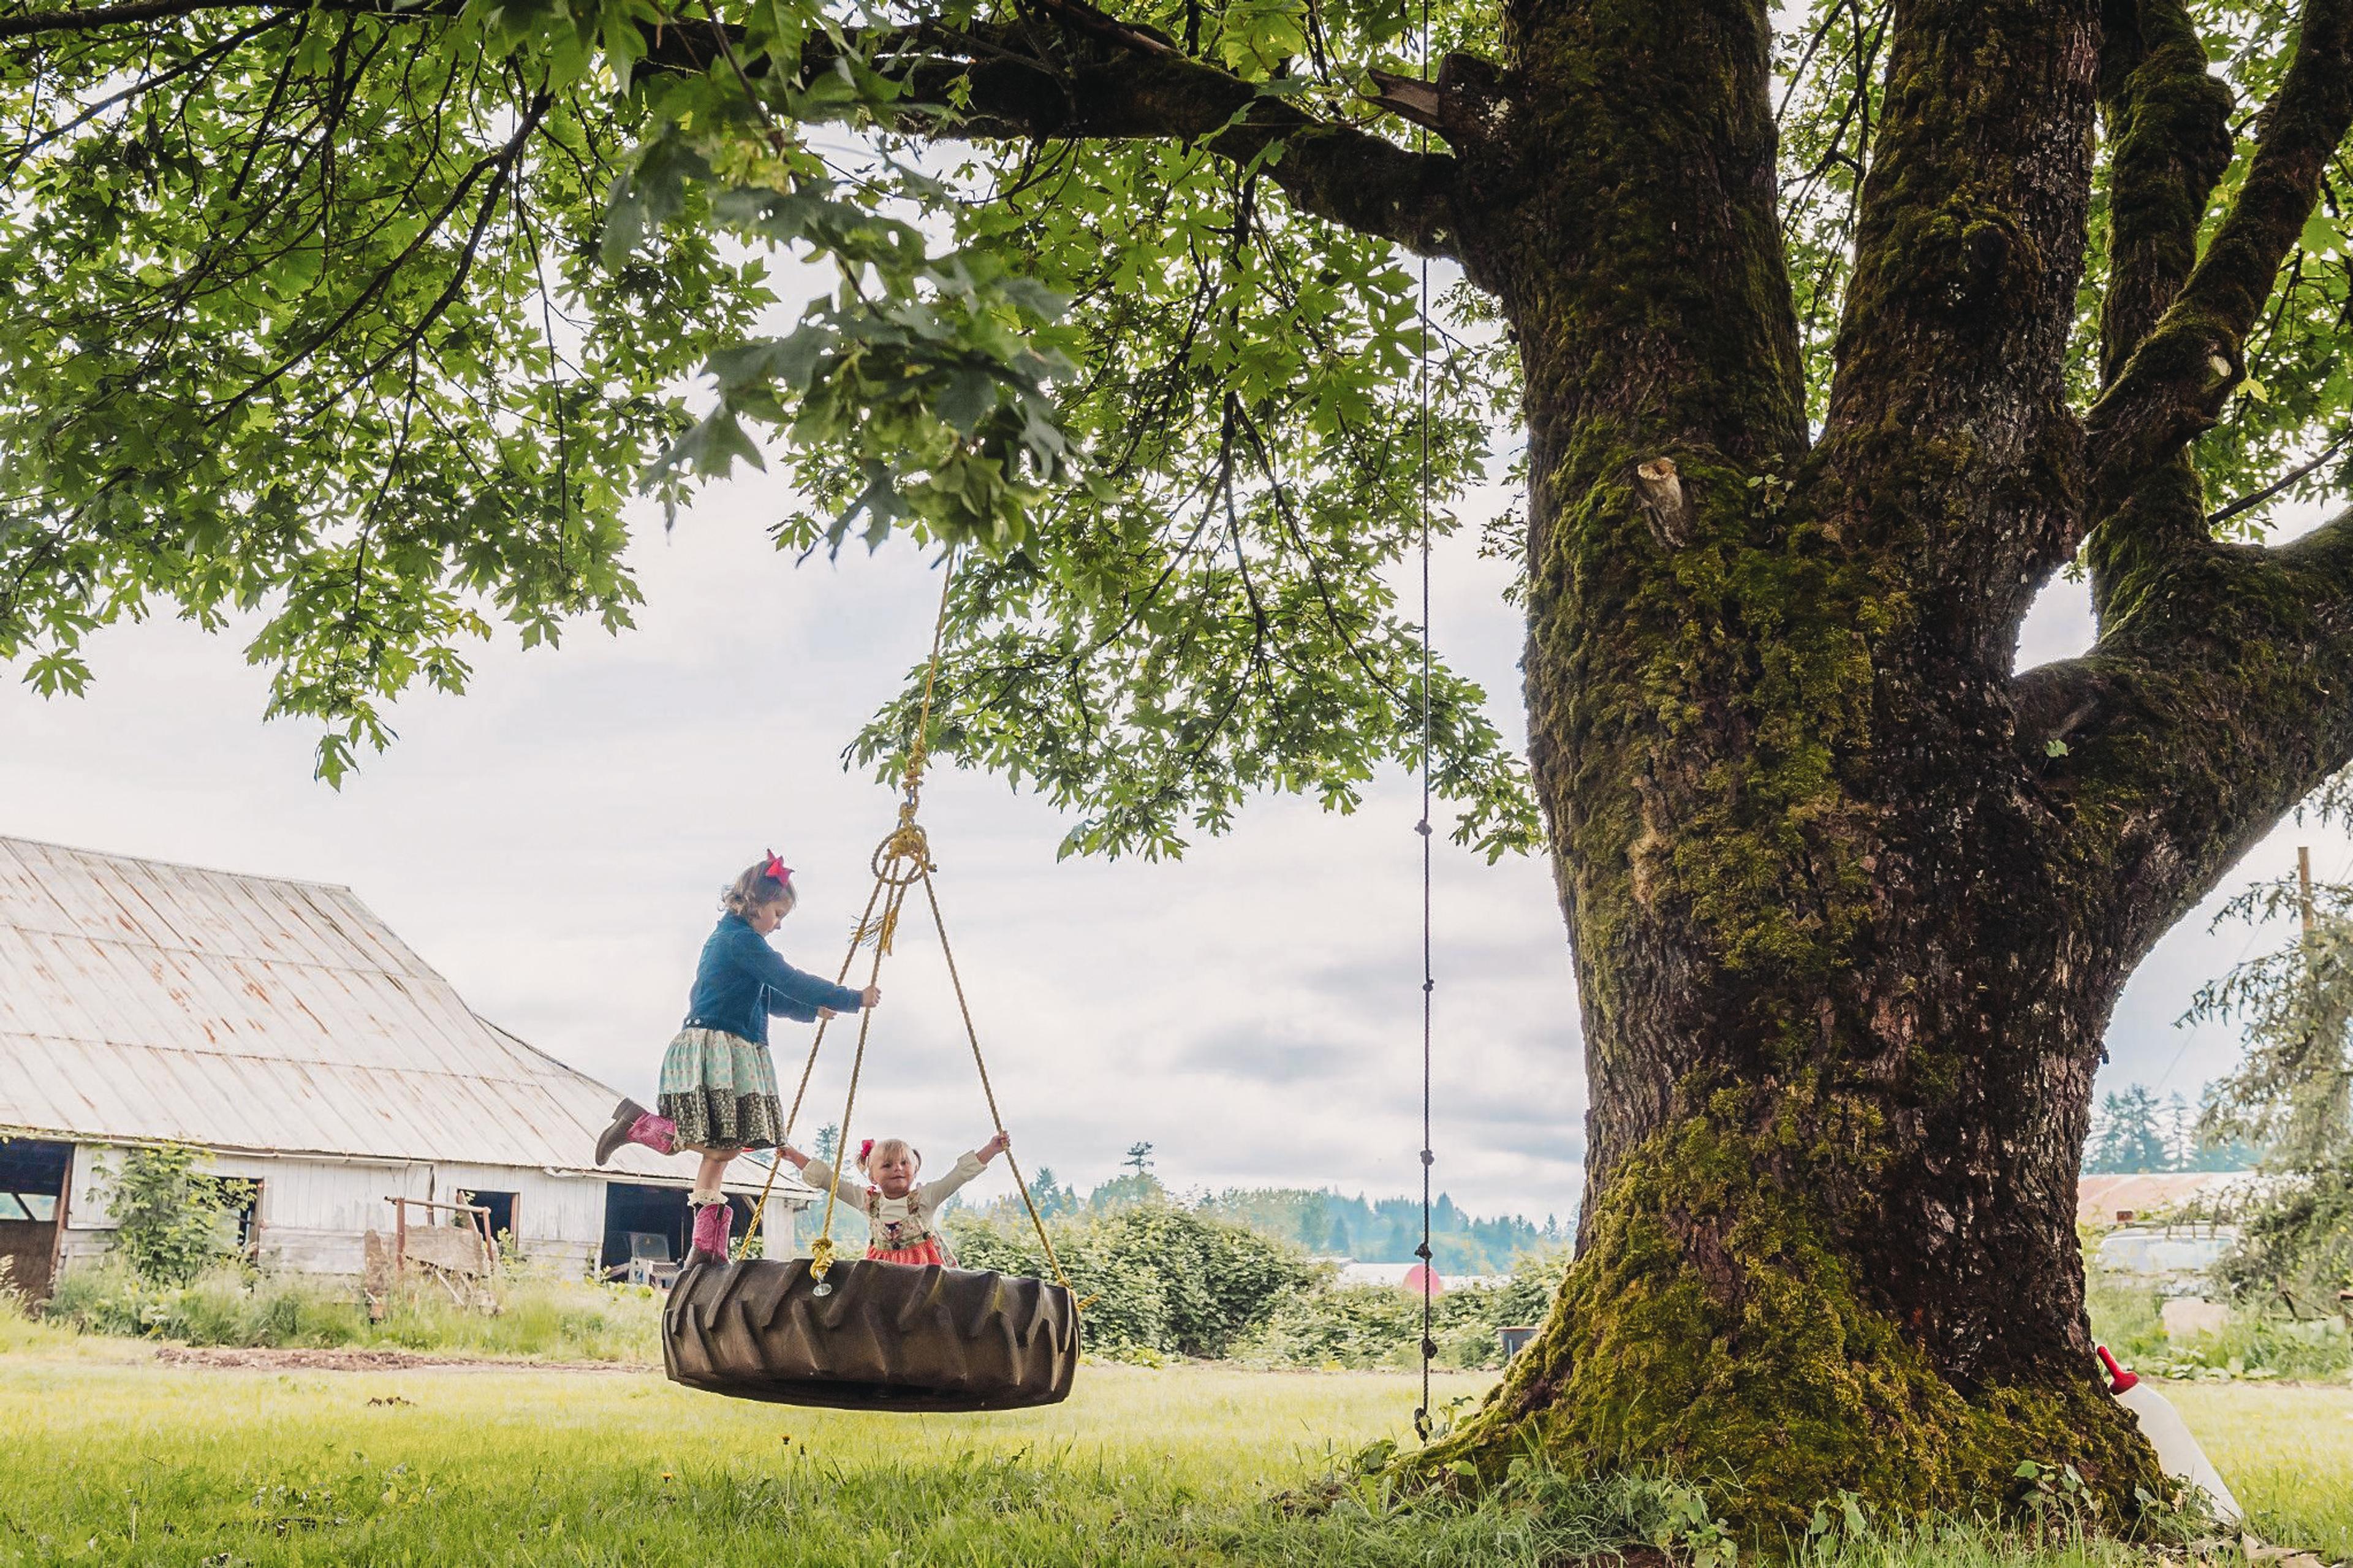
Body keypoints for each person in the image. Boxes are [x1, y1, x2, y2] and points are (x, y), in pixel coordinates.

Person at [594, 852, 879, 1264]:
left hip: (729, 1041)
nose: (779, 923)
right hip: (719, 1046)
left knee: (722, 1150)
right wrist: (852, 997)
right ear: (756, 902)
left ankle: (705, 1248)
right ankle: (639, 1126)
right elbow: (787, 978)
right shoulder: (740, 939)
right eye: (778, 913)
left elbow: (769, 994)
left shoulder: (735, 941)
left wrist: (810, 1010)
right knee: (717, 1142)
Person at [778, 1131, 1010, 1267]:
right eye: (887, 1165)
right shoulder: (868, 1201)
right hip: (881, 1268)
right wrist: (795, 1157)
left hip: (924, 1268)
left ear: (915, 1168)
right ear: (872, 1175)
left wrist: (991, 1149)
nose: (897, 1169)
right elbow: (830, 1181)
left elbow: (958, 1176)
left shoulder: (926, 1198)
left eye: (904, 1163)